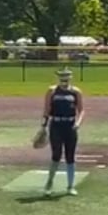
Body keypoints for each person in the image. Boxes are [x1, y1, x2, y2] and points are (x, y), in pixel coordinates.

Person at [41, 68, 85, 197]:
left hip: (70, 126)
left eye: (67, 77)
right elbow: (46, 110)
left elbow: (81, 110)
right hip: (56, 125)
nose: (64, 80)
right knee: (56, 155)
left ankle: (70, 186)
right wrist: (43, 126)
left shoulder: (76, 92)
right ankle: (49, 183)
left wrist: (78, 123)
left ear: (70, 78)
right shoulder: (52, 91)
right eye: (62, 77)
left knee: (70, 156)